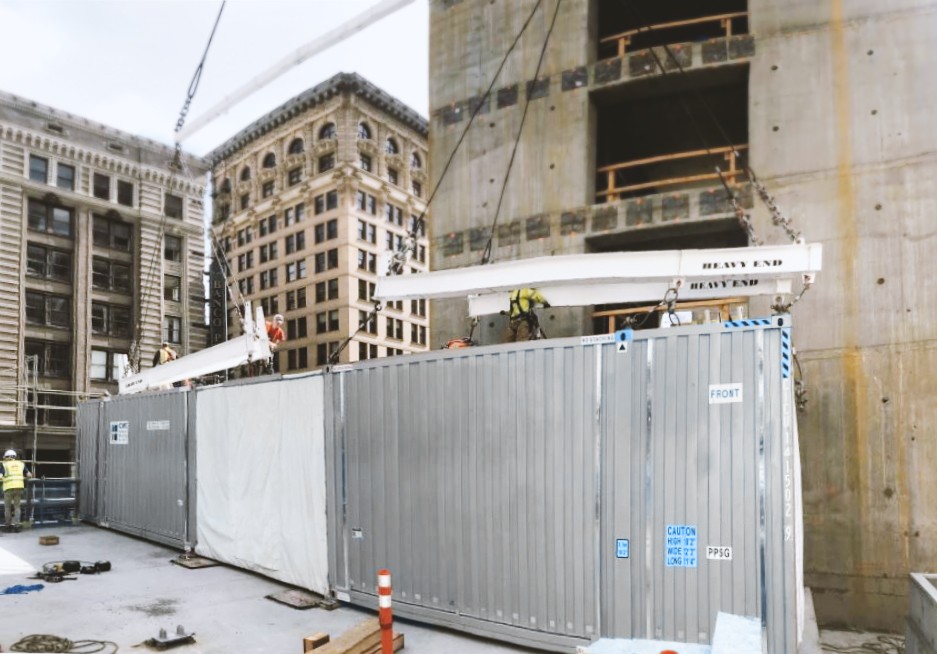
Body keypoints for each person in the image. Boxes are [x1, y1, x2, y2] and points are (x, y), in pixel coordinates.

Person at [0, 450, 32, 533]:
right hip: (19, 487)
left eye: (5, 457)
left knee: (7, 508)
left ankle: (8, 526)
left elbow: (0, 476)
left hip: (8, 488)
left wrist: (4, 479)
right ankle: (17, 526)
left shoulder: (4, 465)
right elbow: (29, 475)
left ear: (8, 457)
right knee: (17, 507)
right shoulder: (21, 464)